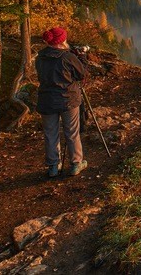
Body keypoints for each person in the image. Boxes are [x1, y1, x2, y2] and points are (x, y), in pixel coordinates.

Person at [35, 26, 88, 178]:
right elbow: (81, 74)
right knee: (71, 132)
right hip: (67, 100)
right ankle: (76, 163)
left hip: (46, 100)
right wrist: (82, 57)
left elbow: (42, 77)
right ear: (61, 41)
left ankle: (53, 166)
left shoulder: (40, 57)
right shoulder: (67, 57)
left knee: (50, 133)